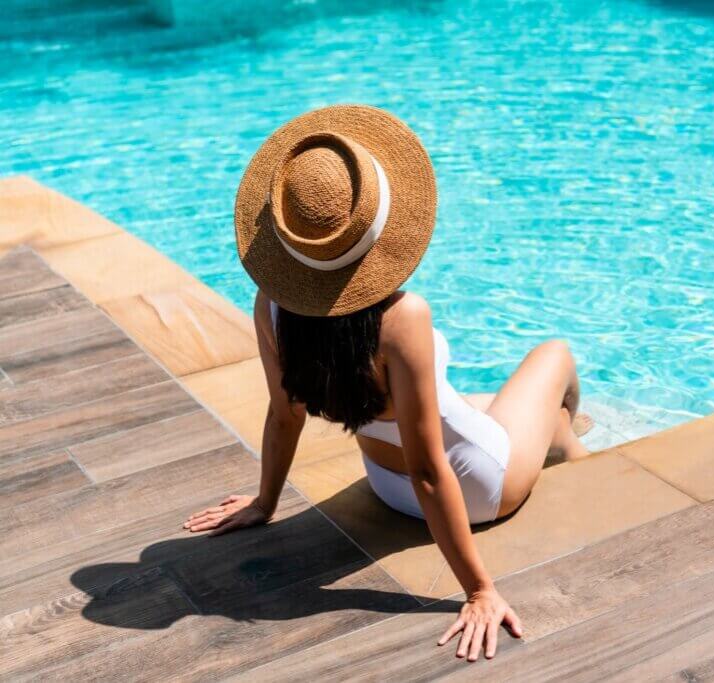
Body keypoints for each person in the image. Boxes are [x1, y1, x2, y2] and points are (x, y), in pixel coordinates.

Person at [184, 105, 591, 662]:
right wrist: (479, 590)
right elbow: (430, 470)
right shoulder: (402, 319)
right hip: (475, 488)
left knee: (525, 414)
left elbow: (286, 415)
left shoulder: (272, 306)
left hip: (382, 483)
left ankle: (565, 442)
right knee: (554, 355)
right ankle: (568, 446)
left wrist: (265, 501)